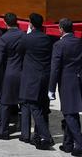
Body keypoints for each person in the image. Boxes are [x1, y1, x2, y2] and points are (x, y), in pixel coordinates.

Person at [49, 18, 82, 156]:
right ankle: (67, 144)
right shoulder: (80, 41)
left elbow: (55, 69)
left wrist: (51, 88)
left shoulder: (59, 45)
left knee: (68, 113)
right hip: (79, 79)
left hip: (67, 82)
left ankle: (81, 144)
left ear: (61, 29)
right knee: (72, 112)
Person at [19, 13, 54, 149]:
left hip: (32, 78)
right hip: (45, 76)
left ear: (31, 24)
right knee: (43, 107)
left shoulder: (27, 38)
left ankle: (46, 136)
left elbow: (19, 51)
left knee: (34, 107)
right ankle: (38, 136)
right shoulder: (47, 38)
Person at [0, 12, 24, 140]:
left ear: (5, 23)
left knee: (5, 103)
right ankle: (25, 133)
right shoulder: (23, 35)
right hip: (22, 73)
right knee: (23, 105)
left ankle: (3, 131)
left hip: (9, 74)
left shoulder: (4, 38)